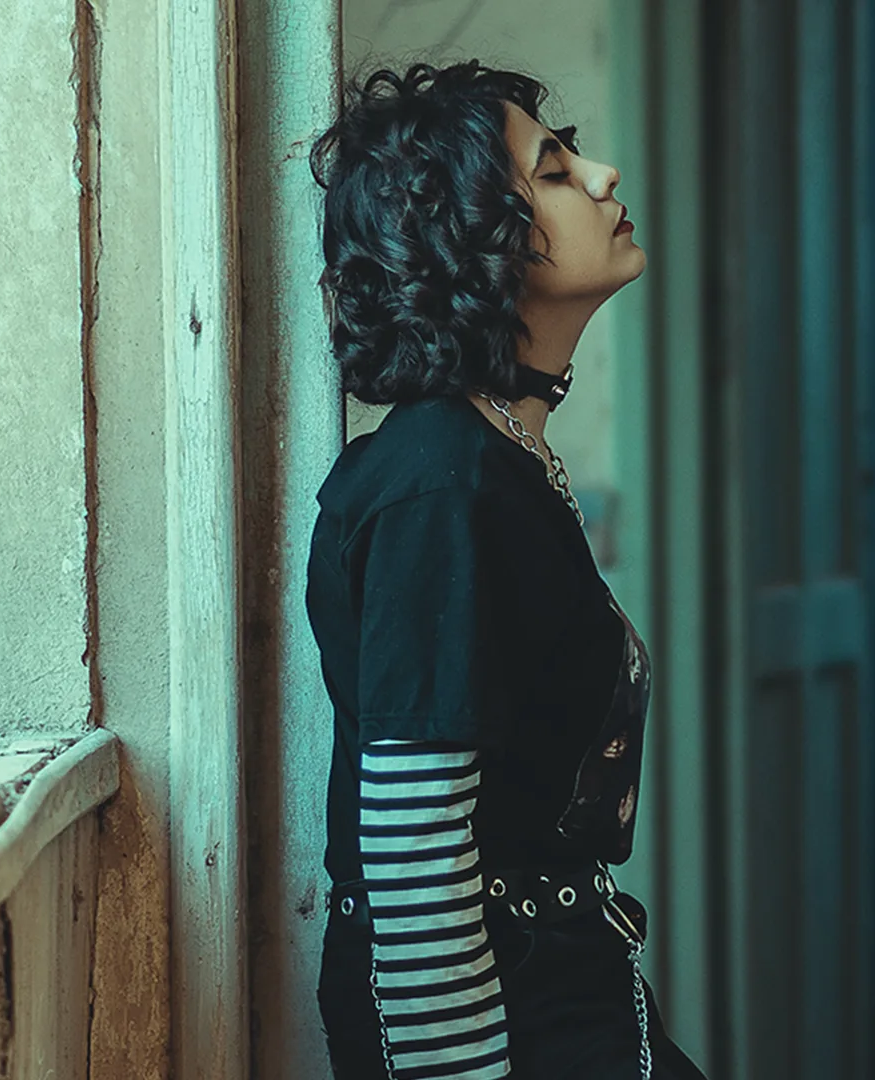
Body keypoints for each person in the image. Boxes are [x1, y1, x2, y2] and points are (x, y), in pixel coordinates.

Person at [303, 61, 707, 1080]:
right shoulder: (439, 481)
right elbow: (412, 836)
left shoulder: (492, 457)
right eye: (560, 170)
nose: (607, 177)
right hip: (502, 1013)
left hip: (565, 979)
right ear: (474, 231)